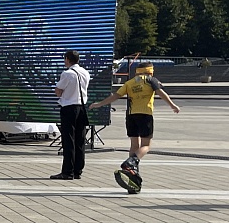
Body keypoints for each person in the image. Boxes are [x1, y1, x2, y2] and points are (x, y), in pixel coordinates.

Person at [88, 63, 181, 194]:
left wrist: (99, 104)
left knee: (134, 144)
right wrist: (173, 105)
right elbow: (161, 92)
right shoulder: (150, 80)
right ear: (150, 71)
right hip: (145, 114)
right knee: (146, 145)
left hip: (131, 116)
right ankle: (131, 162)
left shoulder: (130, 82)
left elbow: (116, 96)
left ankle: (131, 174)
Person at [51, 50, 90, 180]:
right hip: (82, 107)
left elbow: (58, 91)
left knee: (69, 140)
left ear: (67, 59)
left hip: (69, 108)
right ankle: (78, 170)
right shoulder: (85, 72)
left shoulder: (67, 74)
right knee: (80, 139)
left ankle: (67, 171)